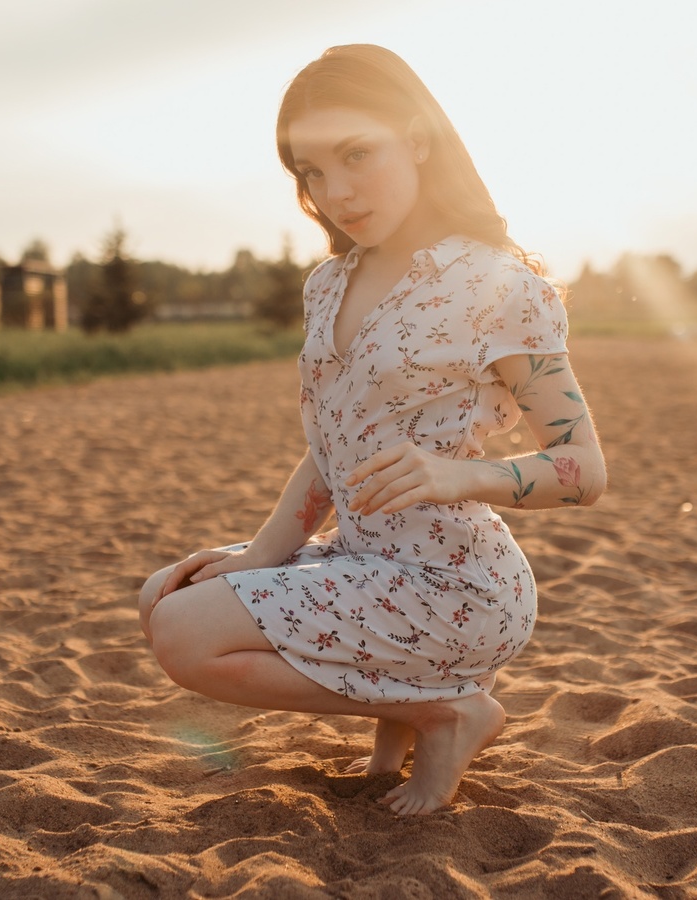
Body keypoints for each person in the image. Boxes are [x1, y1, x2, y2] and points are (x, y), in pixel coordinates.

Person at [138, 44, 605, 816]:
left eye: (357, 154)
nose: (335, 192)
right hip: (360, 561)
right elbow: (331, 447)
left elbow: (584, 468)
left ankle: (444, 712)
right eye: (310, 172)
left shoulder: (496, 285)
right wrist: (260, 555)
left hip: (457, 582)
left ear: (417, 139)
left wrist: (463, 475)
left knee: (186, 635)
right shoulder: (329, 284)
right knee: (166, 594)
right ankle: (410, 708)